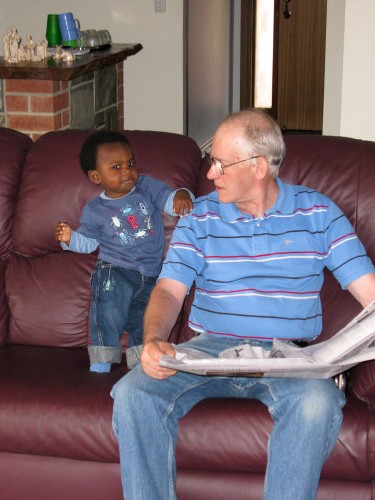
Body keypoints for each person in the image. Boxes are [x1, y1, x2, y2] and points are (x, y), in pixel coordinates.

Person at [111, 109, 375, 500]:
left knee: (316, 405)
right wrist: (152, 340)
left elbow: (369, 293)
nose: (210, 172)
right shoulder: (198, 216)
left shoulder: (319, 214)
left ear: (259, 167)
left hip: (288, 356)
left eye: (220, 162)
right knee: (135, 393)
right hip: (209, 349)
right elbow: (169, 291)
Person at [55, 130, 194, 373]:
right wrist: (70, 238)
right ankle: (101, 364)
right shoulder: (95, 209)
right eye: (116, 167)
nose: (127, 171)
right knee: (108, 314)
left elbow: (169, 200)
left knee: (148, 321)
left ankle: (142, 365)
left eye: (130, 163)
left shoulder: (145, 186)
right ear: (96, 176)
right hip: (114, 271)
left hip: (152, 274)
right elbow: (88, 243)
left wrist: (182, 195)